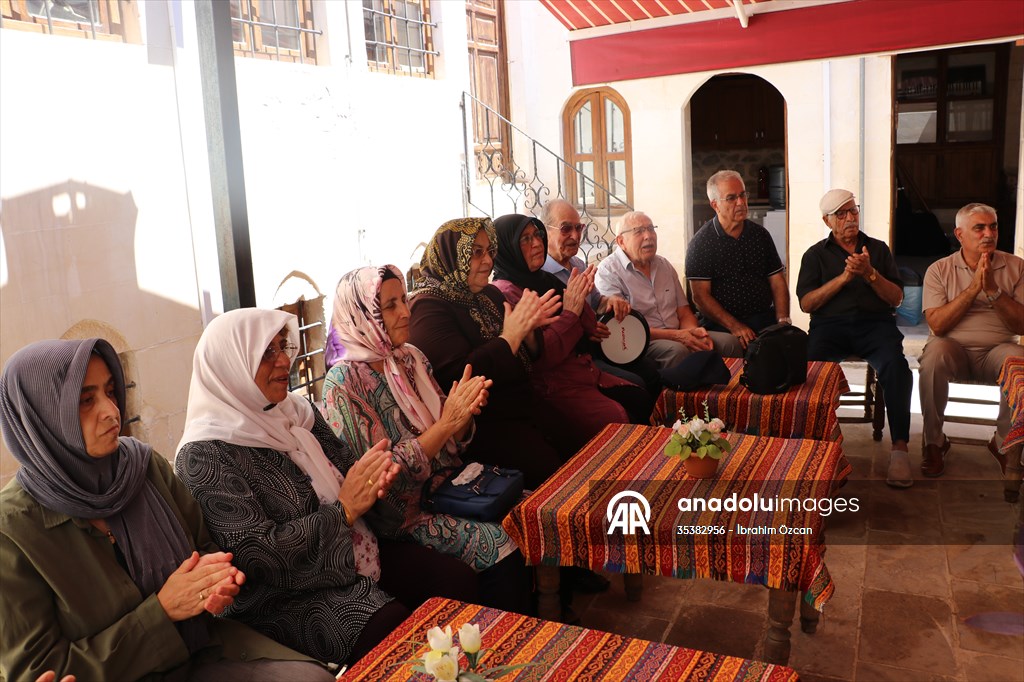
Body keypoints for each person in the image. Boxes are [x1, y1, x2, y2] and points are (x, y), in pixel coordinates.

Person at [0, 338, 331, 682]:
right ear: (41, 417)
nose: (112, 410)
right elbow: (40, 669)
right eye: (86, 401)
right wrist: (161, 612)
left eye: (111, 391)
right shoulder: (13, 533)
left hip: (203, 652)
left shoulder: (142, 469)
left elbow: (205, 552)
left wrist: (216, 586)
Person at [176, 309, 481, 666]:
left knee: (455, 581)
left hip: (358, 549)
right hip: (284, 596)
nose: (284, 361)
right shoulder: (204, 454)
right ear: (232, 365)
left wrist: (373, 482)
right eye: (267, 353)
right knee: (388, 627)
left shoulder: (296, 412)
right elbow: (254, 554)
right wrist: (345, 510)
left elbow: (348, 472)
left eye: (283, 346)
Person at [322, 265, 532, 614]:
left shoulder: (409, 358)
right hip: (405, 517)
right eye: (389, 305)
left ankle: (540, 627)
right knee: (500, 543)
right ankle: (500, 648)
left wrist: (461, 419)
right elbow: (383, 478)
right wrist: (447, 423)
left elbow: (455, 444)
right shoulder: (344, 384)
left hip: (451, 488)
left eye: (403, 299)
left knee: (527, 512)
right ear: (362, 313)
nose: (405, 311)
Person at [406, 217, 567, 488]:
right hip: (483, 429)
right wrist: (512, 336)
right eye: (476, 252)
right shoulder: (427, 308)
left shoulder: (488, 295)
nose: (488, 261)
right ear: (451, 255)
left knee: (578, 444)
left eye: (489, 250)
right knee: (553, 476)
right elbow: (459, 376)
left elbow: (529, 357)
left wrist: (527, 332)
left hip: (522, 407)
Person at [491, 213, 653, 446]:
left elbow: (588, 327)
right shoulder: (506, 293)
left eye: (537, 235)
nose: (537, 243)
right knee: (617, 420)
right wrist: (570, 312)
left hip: (581, 372)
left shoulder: (544, 279)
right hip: (550, 387)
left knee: (640, 395)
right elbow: (545, 357)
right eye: (525, 239)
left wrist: (581, 296)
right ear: (507, 248)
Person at [796, 189, 914, 488]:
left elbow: (897, 298)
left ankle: (900, 449)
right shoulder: (815, 255)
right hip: (829, 328)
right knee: (808, 373)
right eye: (841, 213)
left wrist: (870, 273)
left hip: (875, 326)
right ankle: (815, 448)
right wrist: (845, 278)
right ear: (827, 220)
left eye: (853, 211)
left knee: (897, 367)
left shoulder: (878, 249)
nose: (850, 218)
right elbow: (807, 304)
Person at [919, 203, 1024, 477]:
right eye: (979, 228)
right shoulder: (939, 270)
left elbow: (1021, 325)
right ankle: (934, 442)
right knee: (933, 355)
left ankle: (1003, 443)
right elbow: (937, 325)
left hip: (998, 352)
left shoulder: (1017, 267)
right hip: (954, 350)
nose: (988, 233)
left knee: (1020, 359)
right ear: (960, 234)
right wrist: (973, 289)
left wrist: (993, 291)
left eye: (993, 226)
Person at [539, 199, 661, 394]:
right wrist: (585, 328)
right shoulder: (541, 275)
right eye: (566, 228)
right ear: (546, 231)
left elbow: (598, 301)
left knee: (651, 370)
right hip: (572, 358)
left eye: (579, 228)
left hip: (597, 347)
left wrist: (611, 301)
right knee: (635, 386)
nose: (575, 235)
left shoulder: (577, 264)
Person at [595, 210, 729, 370]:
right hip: (642, 341)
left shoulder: (664, 265)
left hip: (679, 332)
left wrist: (693, 333)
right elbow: (624, 329)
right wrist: (678, 337)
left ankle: (730, 395)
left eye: (651, 229)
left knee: (729, 343)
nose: (648, 236)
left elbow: (684, 312)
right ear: (621, 241)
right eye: (639, 231)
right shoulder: (608, 271)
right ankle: (677, 395)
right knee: (677, 351)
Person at [686, 170, 791, 357]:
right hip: (721, 324)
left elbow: (777, 280)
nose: (741, 202)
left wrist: (782, 319)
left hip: (763, 318)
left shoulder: (760, 235)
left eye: (743, 195)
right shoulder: (701, 243)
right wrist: (735, 327)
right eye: (732, 198)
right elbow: (700, 297)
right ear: (715, 205)